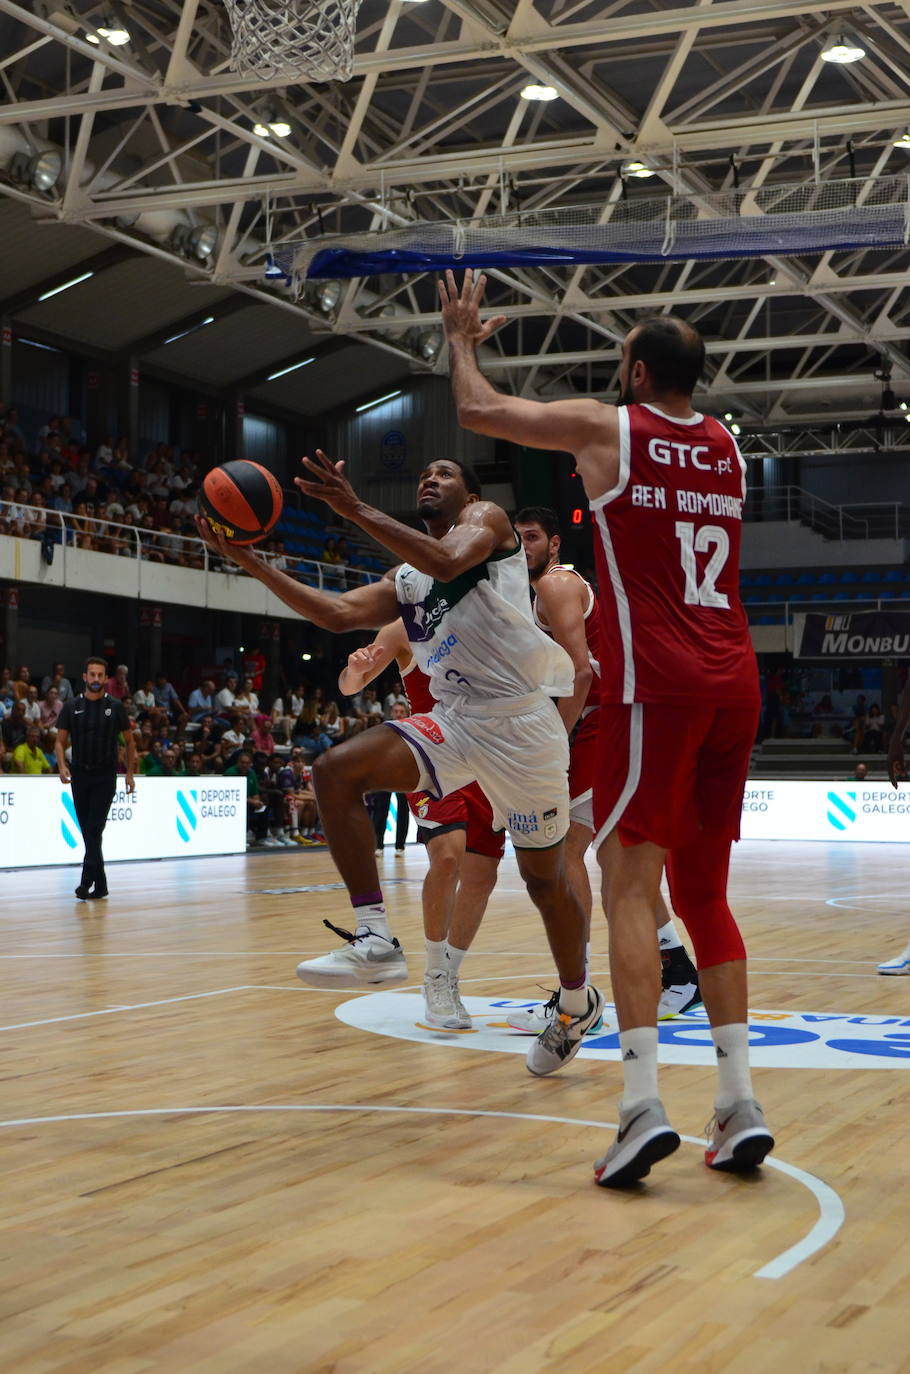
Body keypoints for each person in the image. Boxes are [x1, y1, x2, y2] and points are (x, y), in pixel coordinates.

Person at [441, 268, 772, 1178]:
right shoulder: (730, 449)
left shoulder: (608, 429)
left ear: (633, 374)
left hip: (656, 686)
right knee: (703, 893)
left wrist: (464, 341)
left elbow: (481, 413)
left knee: (626, 881)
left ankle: (638, 1105)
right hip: (734, 682)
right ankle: (739, 1105)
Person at [197, 451, 602, 1078]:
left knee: (544, 883)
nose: (429, 478)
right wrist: (249, 561)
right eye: (424, 474)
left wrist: (351, 505)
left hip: (524, 727)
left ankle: (577, 1003)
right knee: (333, 770)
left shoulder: (489, 524)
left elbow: (445, 559)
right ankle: (376, 937)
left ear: (467, 494)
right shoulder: (408, 581)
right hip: (459, 719)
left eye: (443, 472)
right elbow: (333, 613)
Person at [506, 507, 701, 1032]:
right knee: (618, 866)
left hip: (598, 722)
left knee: (566, 850)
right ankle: (680, 971)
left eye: (532, 537)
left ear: (553, 544)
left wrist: (552, 740)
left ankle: (578, 995)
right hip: (617, 720)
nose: (522, 546)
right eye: (516, 538)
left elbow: (582, 669)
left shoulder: (554, 585)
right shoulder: (540, 589)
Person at [340, 620, 504, 1030]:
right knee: (448, 857)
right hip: (433, 751)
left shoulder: (487, 609)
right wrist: (356, 671)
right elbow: (348, 686)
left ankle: (449, 974)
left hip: (488, 754)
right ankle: (434, 974)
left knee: (482, 876)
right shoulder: (401, 628)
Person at [55, 655, 136, 901]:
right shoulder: (71, 706)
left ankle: (85, 882)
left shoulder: (116, 707)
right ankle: (100, 886)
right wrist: (61, 766)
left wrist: (130, 773)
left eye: (100, 675)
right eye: (92, 674)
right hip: (79, 774)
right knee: (90, 833)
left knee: (93, 828)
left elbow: (130, 742)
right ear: (84, 677)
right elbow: (59, 742)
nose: (96, 679)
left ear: (105, 678)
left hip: (105, 775)